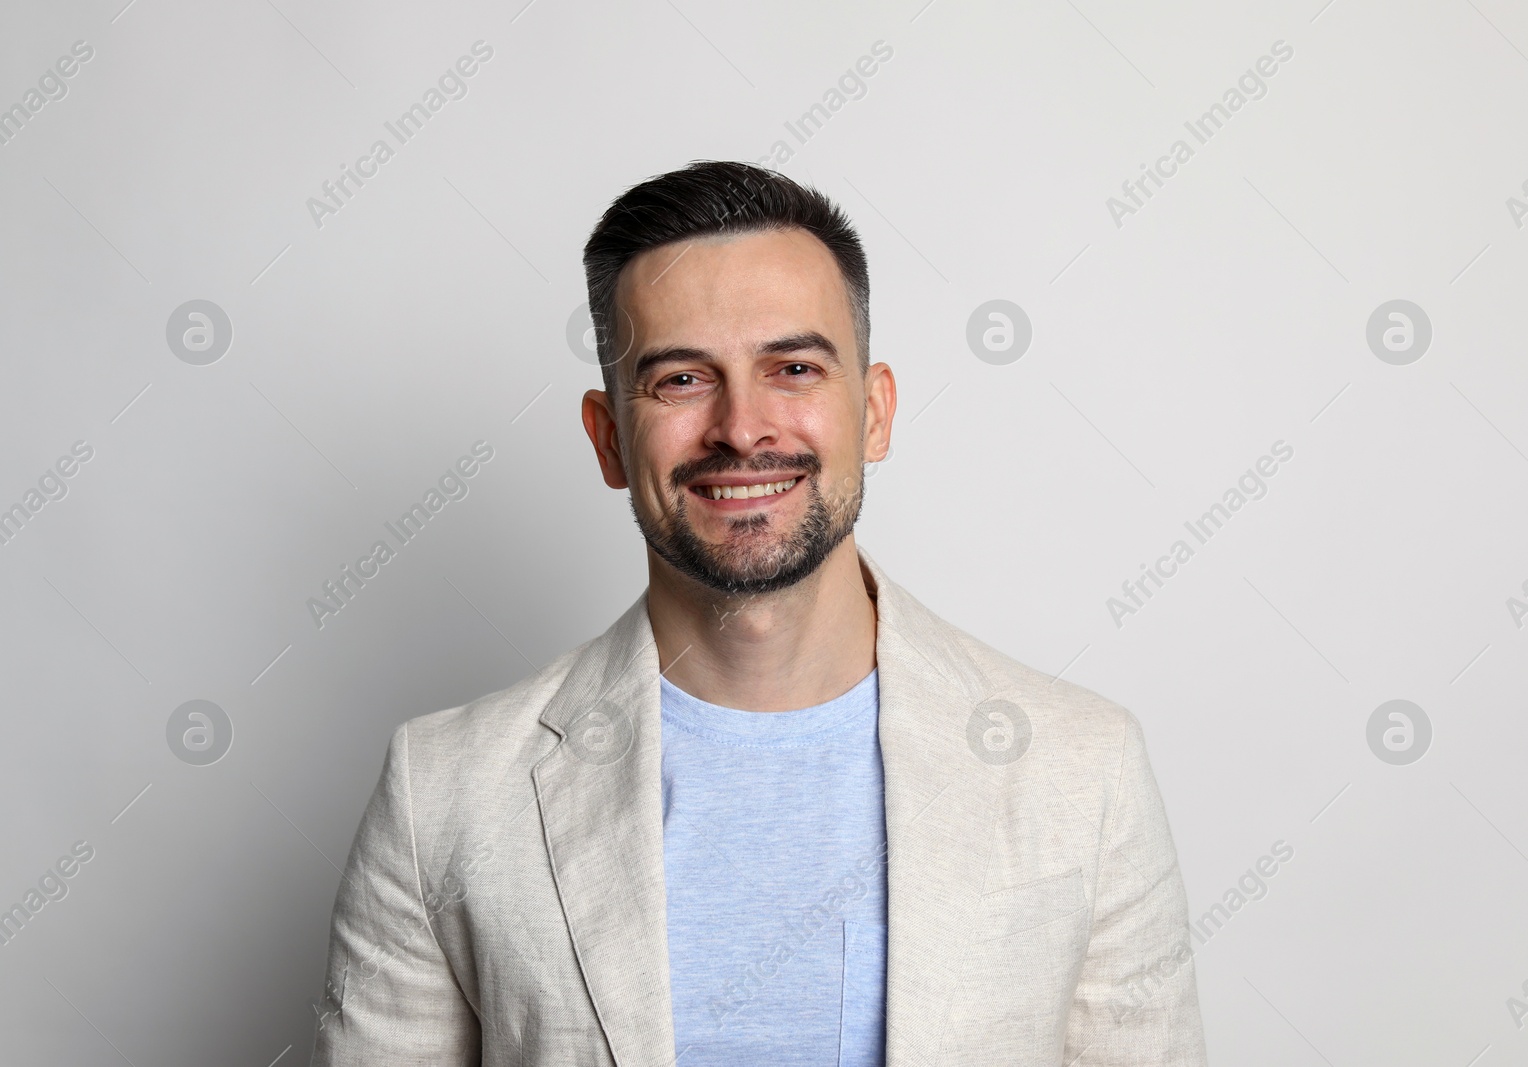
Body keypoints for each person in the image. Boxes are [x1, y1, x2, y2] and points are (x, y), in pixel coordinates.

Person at [308, 160, 1206, 1066]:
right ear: (610, 437)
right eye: (683, 380)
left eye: (794, 367)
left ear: (876, 412)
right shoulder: (444, 794)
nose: (743, 426)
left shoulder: (1083, 773)